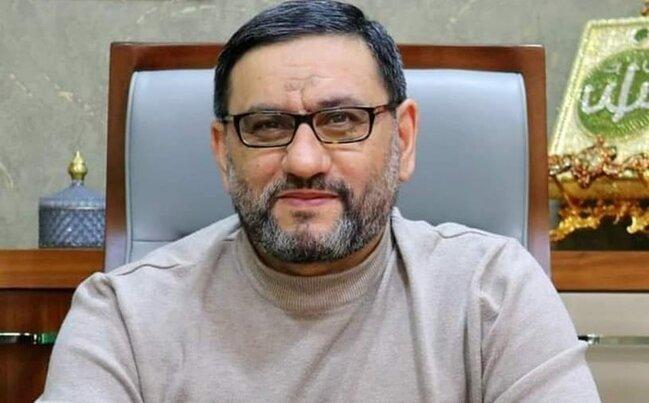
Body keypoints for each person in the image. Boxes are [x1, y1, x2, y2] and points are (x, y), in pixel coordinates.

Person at [38, 1, 600, 402]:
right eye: (266, 125)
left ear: (403, 140)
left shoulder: (494, 295)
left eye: (342, 121)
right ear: (223, 152)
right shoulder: (124, 316)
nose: (304, 160)